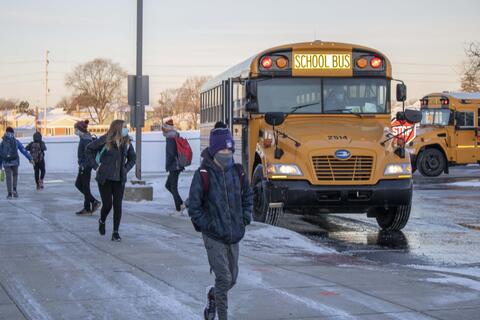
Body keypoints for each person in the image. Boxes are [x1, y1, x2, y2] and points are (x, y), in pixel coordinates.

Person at [188, 127, 253, 320]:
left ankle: (213, 295)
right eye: (223, 151)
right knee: (223, 278)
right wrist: (208, 224)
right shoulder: (203, 174)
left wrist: (245, 217)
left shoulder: (238, 171)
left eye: (230, 150)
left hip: (234, 233)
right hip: (213, 235)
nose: (227, 154)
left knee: (232, 278)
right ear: (214, 151)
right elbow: (194, 206)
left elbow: (248, 196)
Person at [86, 120, 135, 242]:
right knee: (107, 205)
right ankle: (102, 220)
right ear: (117, 128)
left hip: (119, 179)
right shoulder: (105, 140)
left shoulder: (127, 142)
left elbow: (133, 158)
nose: (126, 130)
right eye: (124, 127)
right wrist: (96, 167)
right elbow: (88, 150)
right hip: (105, 178)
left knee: (118, 205)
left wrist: (125, 169)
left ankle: (115, 232)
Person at [74, 120, 101, 216]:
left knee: (84, 186)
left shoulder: (86, 140)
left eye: (76, 129)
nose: (75, 131)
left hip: (85, 166)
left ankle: (88, 207)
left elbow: (88, 155)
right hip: (85, 165)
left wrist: (83, 165)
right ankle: (92, 203)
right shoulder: (85, 138)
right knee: (80, 185)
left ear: (80, 130)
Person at [0, 127, 34, 199]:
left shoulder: (3, 142)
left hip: (6, 163)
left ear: (6, 132)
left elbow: (0, 154)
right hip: (15, 162)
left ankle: (9, 194)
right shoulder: (16, 141)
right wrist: (30, 158)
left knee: (8, 178)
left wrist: (0, 166)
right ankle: (14, 190)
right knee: (15, 175)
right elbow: (23, 150)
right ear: (13, 133)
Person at [162, 119, 184, 212]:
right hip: (176, 165)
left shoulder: (170, 138)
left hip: (174, 166)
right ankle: (181, 203)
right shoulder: (174, 136)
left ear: (167, 129)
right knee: (168, 185)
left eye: (163, 129)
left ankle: (179, 209)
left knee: (173, 187)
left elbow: (171, 153)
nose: (162, 131)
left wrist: (168, 165)